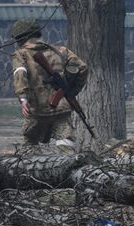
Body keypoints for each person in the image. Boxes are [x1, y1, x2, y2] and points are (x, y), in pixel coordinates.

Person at [11, 19, 89, 149]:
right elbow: (83, 68)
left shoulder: (21, 54)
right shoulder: (62, 51)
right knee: (66, 143)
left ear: (20, 39)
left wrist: (23, 98)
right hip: (61, 108)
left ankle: (33, 168)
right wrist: (71, 91)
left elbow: (20, 74)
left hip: (36, 108)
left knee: (30, 144)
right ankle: (69, 167)